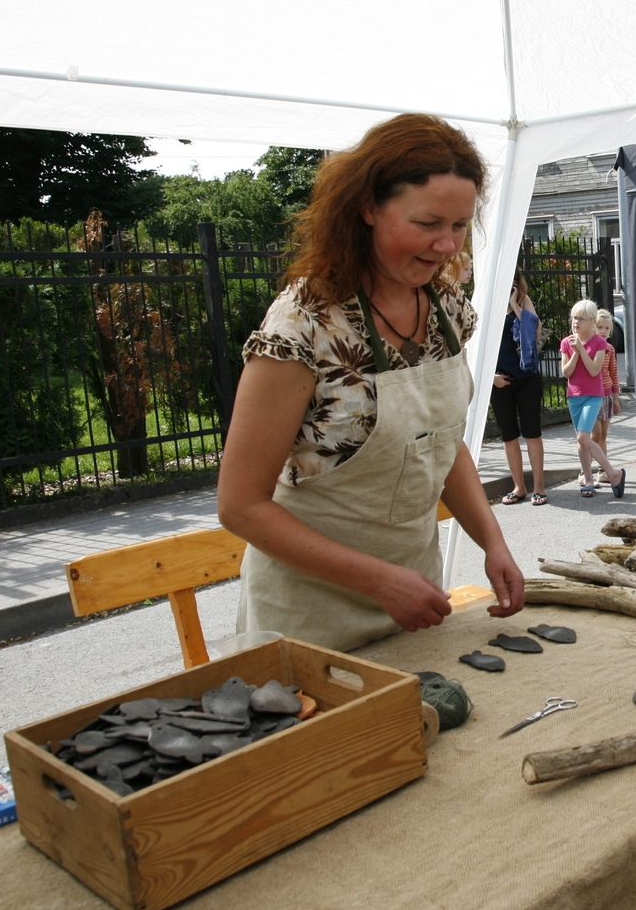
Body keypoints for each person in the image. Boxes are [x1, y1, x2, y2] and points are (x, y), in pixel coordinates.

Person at [222, 113, 524, 651]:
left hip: (415, 603)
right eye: (428, 223)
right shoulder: (303, 322)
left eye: (459, 225)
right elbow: (241, 505)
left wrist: (492, 541)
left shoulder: (447, 307)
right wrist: (379, 580)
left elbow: (441, 441)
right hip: (307, 619)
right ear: (366, 208)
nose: (448, 245)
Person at [561, 298, 626, 499]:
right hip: (574, 396)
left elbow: (594, 370)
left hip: (594, 396)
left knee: (583, 436)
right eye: (574, 318)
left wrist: (581, 349)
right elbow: (566, 372)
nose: (576, 322)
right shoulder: (566, 342)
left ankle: (613, 473)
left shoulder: (600, 343)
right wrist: (574, 352)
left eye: (581, 319)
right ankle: (588, 480)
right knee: (582, 441)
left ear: (591, 321)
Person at [492, 273, 547, 507]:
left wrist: (514, 304)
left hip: (527, 378)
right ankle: (519, 487)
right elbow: (475, 344)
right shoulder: (488, 305)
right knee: (509, 436)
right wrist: (490, 377)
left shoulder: (524, 301)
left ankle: (539, 487)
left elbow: (534, 332)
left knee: (532, 433)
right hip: (499, 381)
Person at [591, 308, 622, 486]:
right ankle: (584, 470)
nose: (603, 331)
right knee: (593, 436)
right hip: (593, 395)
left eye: (606, 328)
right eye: (599, 327)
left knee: (603, 435)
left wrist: (616, 398)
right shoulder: (589, 347)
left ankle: (602, 470)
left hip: (608, 394)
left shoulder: (609, 349)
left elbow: (613, 373)